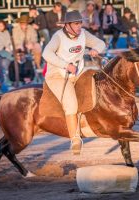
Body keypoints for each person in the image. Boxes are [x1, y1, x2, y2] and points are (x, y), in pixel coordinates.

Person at [42, 10, 105, 155]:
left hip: (77, 72)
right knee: (71, 104)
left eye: (80, 23)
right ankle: (75, 139)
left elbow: (100, 43)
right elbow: (46, 53)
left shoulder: (83, 34)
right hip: (57, 74)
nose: (79, 26)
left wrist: (96, 49)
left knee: (97, 77)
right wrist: (65, 65)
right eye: (76, 24)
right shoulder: (58, 37)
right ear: (68, 25)